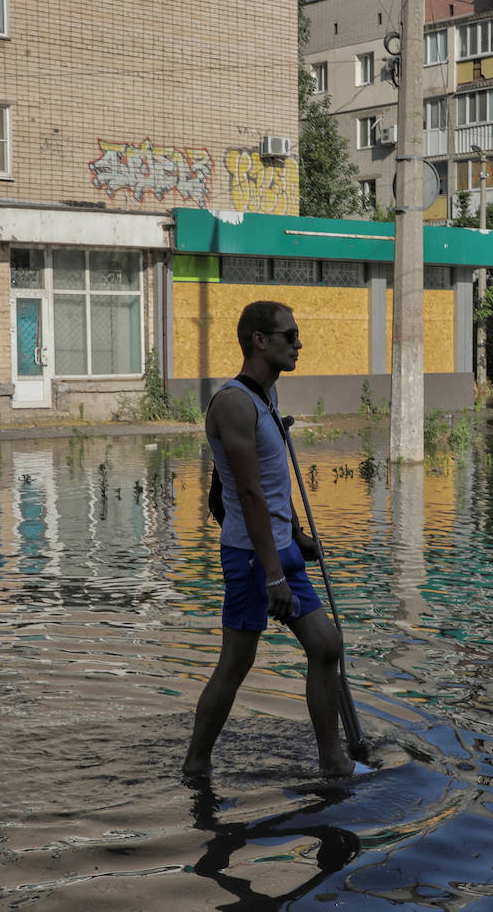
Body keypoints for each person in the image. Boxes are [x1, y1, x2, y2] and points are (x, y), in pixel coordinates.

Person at [183, 300, 355, 780]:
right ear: (260, 340)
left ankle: (332, 760)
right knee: (237, 663)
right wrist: (275, 573)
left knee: (325, 646)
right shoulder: (234, 402)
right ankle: (196, 763)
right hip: (253, 557)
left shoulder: (265, 398)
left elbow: (275, 483)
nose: (299, 343)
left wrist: (296, 533)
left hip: (278, 549)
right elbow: (248, 493)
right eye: (289, 334)